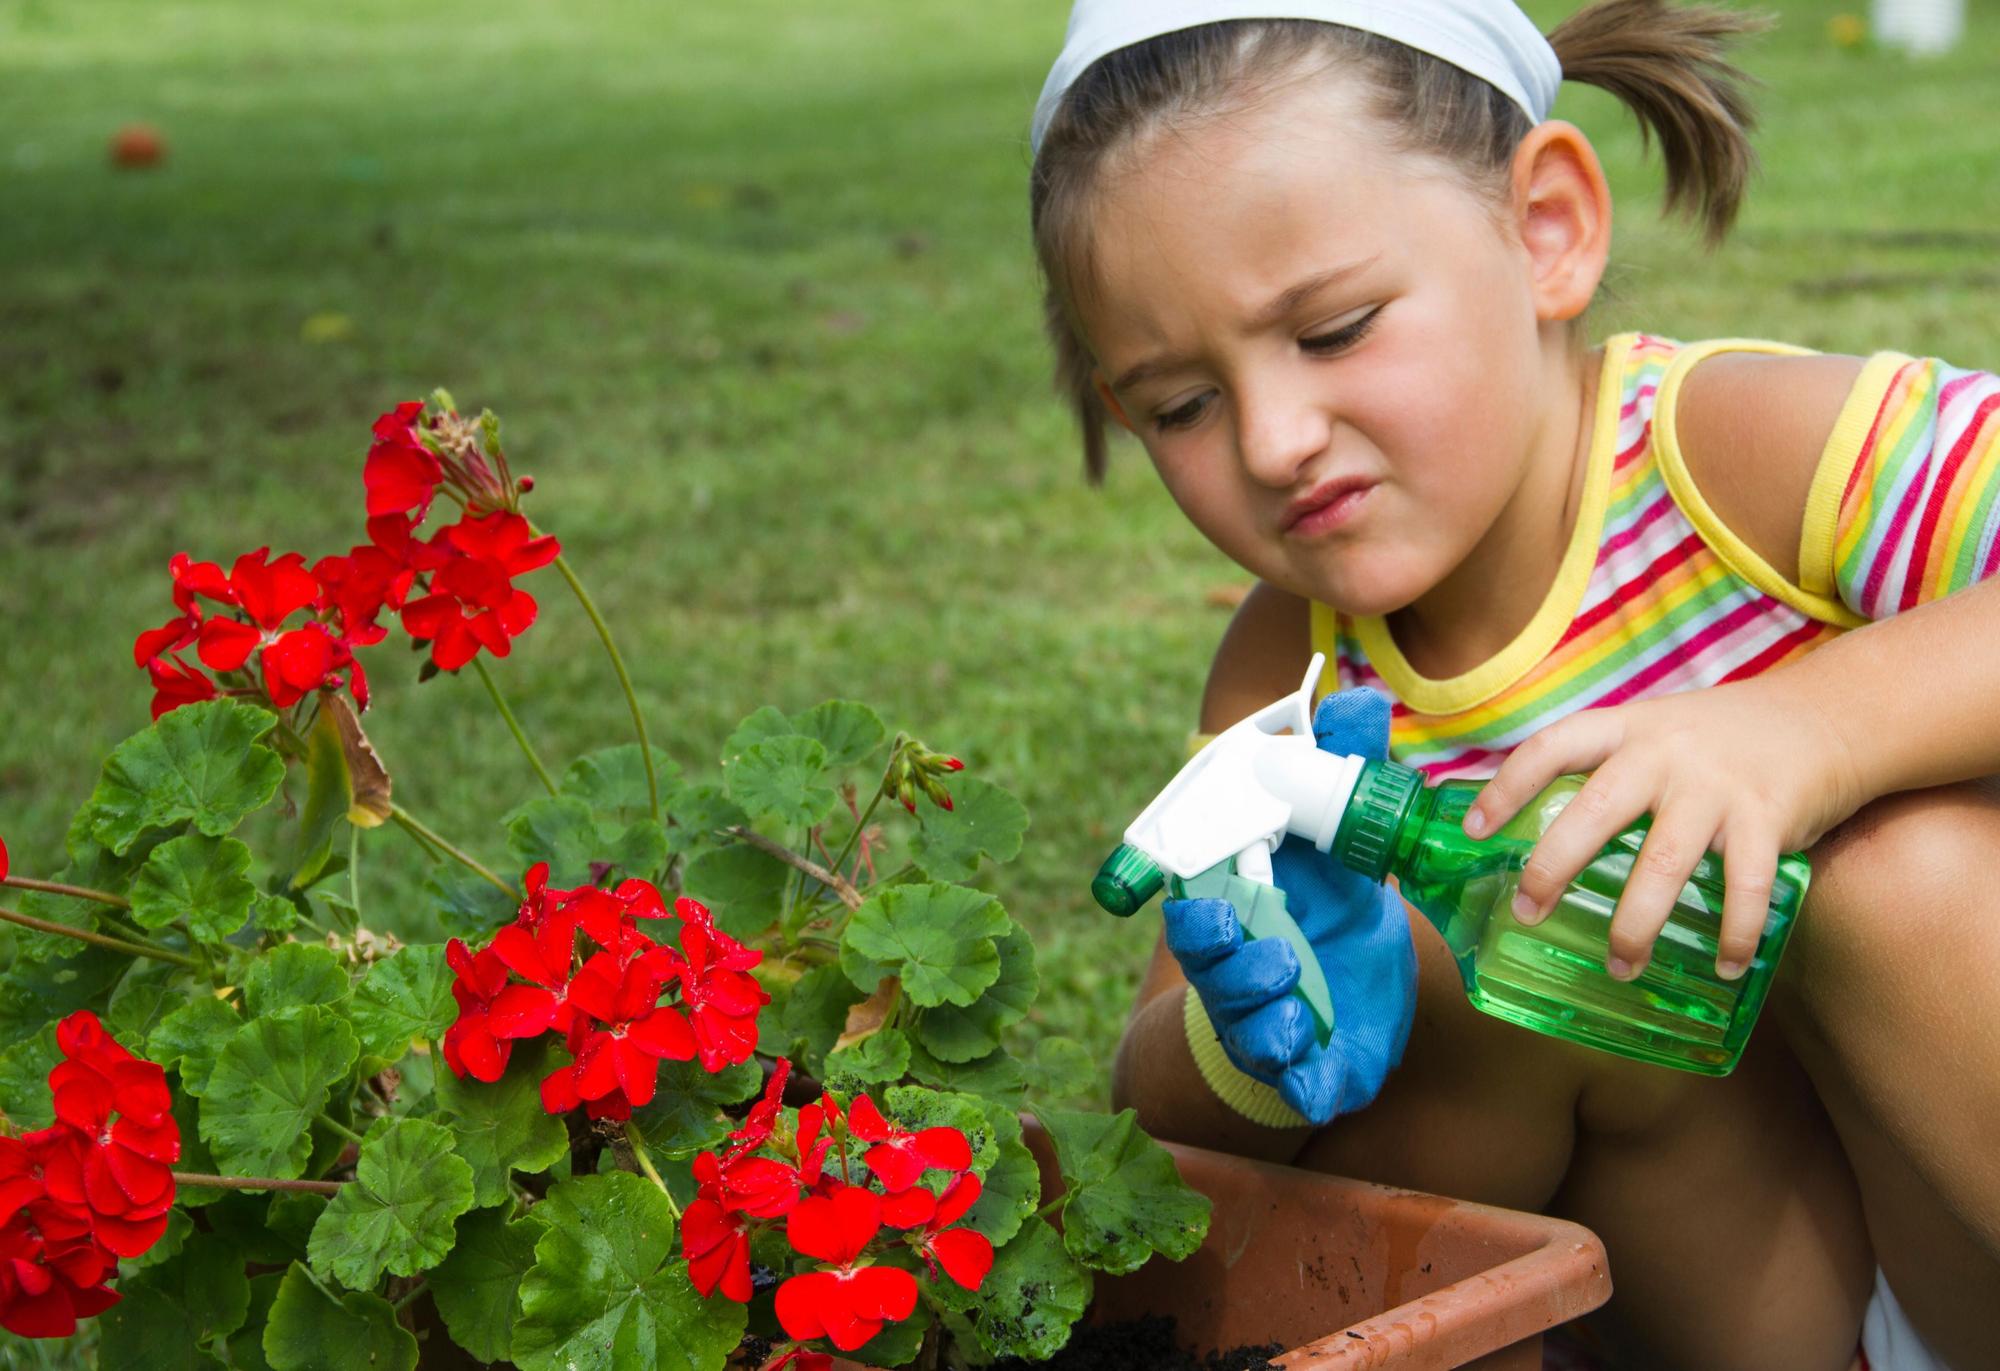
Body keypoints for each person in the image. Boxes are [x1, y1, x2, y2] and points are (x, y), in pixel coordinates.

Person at [1025, 2, 2000, 1367]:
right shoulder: (1289, 668)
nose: (1273, 438)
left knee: (1902, 875)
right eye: (1180, 404)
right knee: (1459, 980)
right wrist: (1252, 1037)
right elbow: (1156, 1124)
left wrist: (1808, 730)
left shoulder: (1746, 457)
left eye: (1337, 327)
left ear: (1545, 227)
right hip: (1762, 1300)